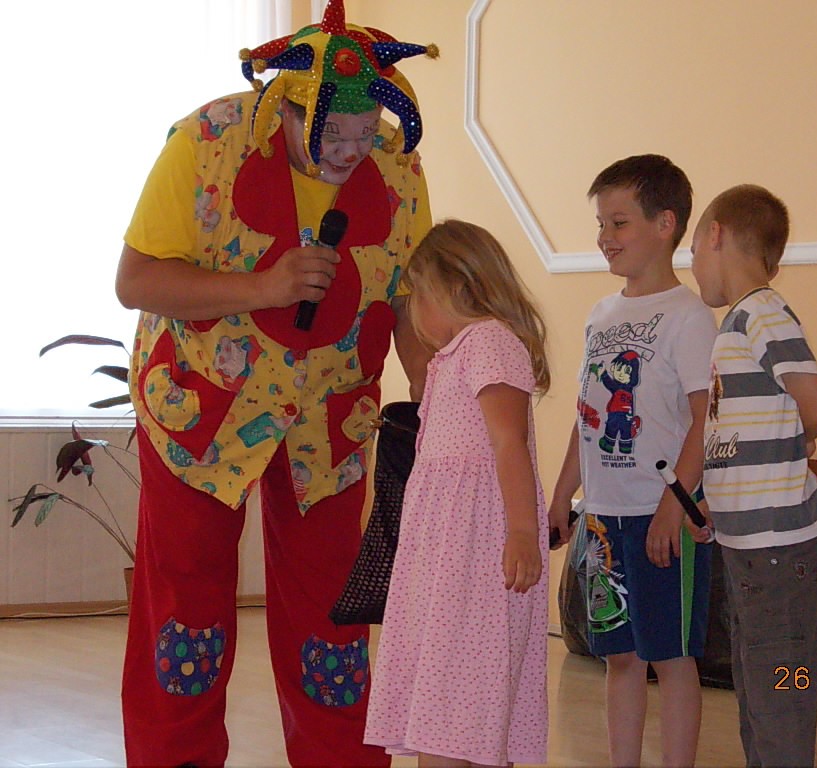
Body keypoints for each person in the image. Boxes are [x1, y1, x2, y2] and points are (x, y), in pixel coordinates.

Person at [113, 2, 438, 765]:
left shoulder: (398, 166)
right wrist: (263, 288)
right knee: (186, 610)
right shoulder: (207, 141)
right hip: (202, 413)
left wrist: (436, 407)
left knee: (332, 614)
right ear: (284, 109)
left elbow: (409, 302)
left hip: (329, 422)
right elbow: (135, 281)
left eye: (366, 132)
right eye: (333, 133)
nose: (352, 151)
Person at [548, 154, 717, 768]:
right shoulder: (601, 315)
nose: (605, 237)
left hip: (661, 517)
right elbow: (587, 415)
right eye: (601, 224)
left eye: (619, 223)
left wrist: (677, 505)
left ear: (665, 223)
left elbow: (705, 420)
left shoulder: (689, 317)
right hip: (602, 518)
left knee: (671, 658)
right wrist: (563, 496)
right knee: (619, 656)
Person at [364, 219, 551, 767]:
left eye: (418, 295)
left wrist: (522, 531)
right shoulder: (453, 356)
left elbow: (509, 443)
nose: (414, 311)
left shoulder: (489, 342)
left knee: (459, 695)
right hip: (446, 558)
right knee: (446, 696)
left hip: (476, 554)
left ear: (453, 289)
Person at [689, 184, 817, 767]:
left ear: (716, 234)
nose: (693, 266)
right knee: (758, 691)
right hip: (751, 545)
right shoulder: (738, 324)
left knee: (778, 700)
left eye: (694, 250)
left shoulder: (761, 315)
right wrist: (716, 501)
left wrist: (788, 448)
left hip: (780, 547)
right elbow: (738, 439)